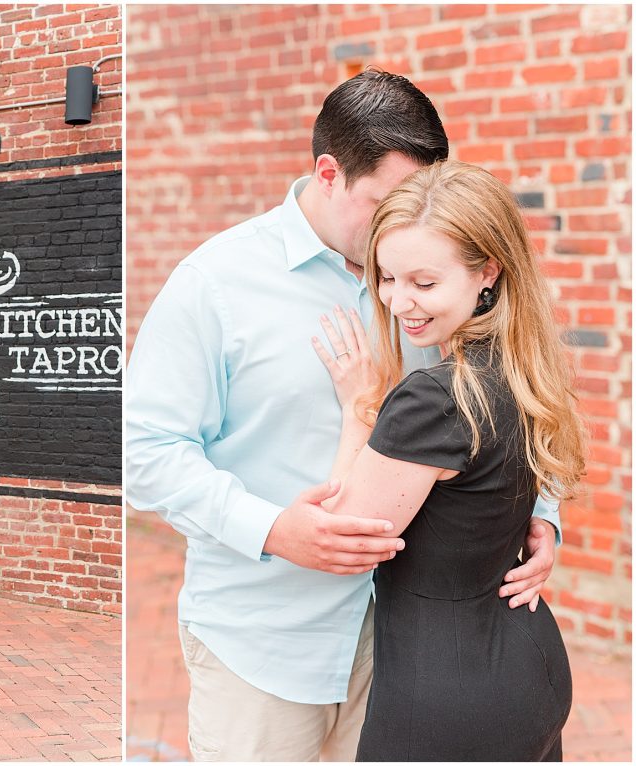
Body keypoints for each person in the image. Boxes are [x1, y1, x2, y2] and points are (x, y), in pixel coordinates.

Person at [125, 70, 561, 761]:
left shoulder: (430, 274)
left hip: (400, 648)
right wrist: (271, 528)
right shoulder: (214, 285)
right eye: (387, 202)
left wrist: (541, 515)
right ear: (328, 173)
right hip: (265, 648)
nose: (406, 225)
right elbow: (144, 453)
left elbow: (508, 395)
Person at [312, 160, 582, 760]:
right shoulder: (522, 370)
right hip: (528, 664)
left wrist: (360, 406)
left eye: (424, 283)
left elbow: (344, 536)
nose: (397, 300)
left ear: (488, 271)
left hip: (447, 699)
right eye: (385, 277)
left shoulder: (434, 397)